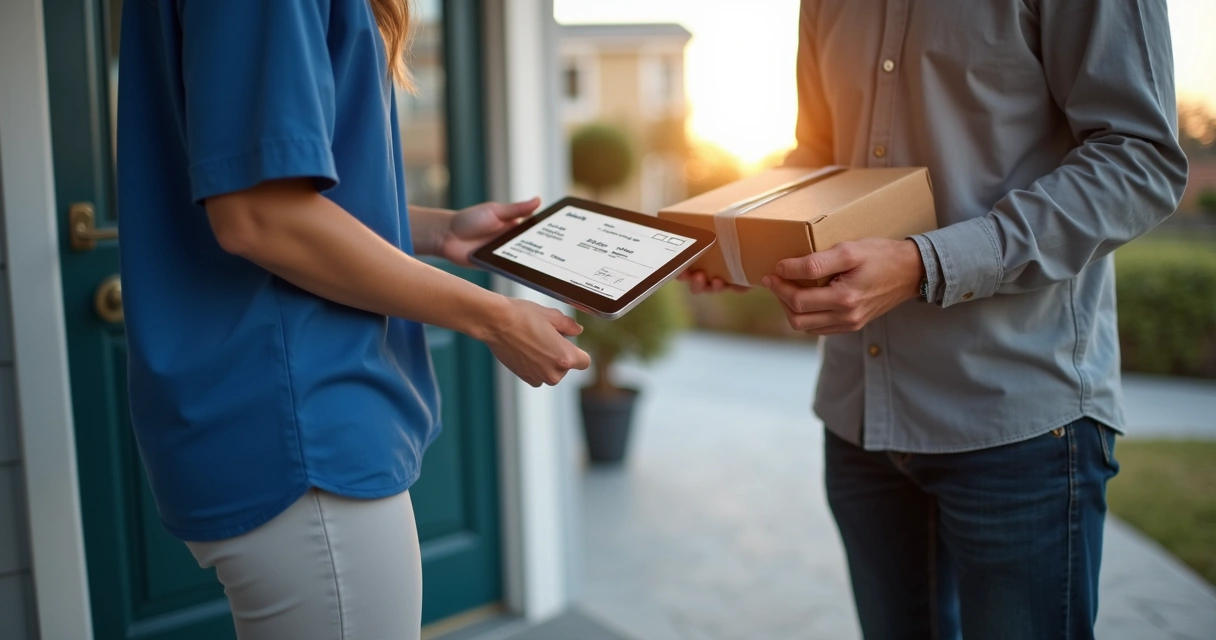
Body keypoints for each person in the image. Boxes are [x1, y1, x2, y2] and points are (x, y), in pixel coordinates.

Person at [684, 1, 1188, 638]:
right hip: (860, 418)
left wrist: (926, 263)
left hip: (1019, 424)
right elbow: (819, 154)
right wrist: (732, 241)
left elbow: (1138, 161)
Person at [117, 1, 590, 638]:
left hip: (287, 414)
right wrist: (495, 316)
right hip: (301, 429)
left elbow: (274, 194)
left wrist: (439, 229)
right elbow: (262, 217)